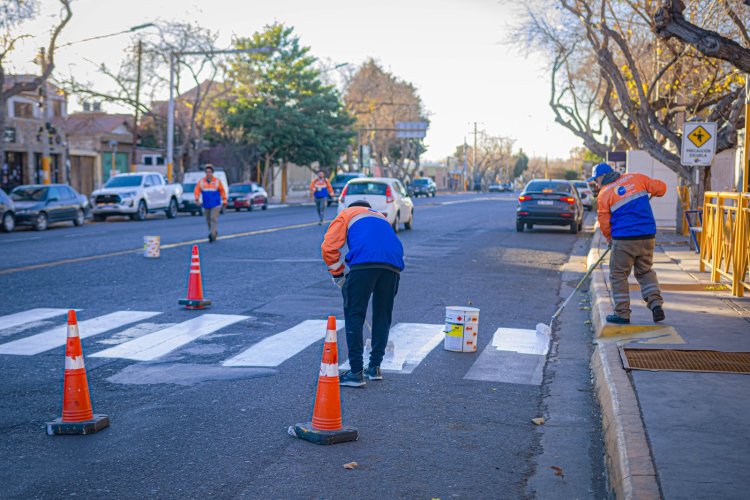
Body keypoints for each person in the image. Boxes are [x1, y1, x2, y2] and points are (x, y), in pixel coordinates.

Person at [321, 200, 405, 387]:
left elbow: (329, 248)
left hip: (365, 263)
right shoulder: (381, 217)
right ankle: (374, 368)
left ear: (351, 206)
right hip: (393, 265)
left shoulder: (347, 214)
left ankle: (356, 372)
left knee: (355, 314)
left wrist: (338, 274)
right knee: (383, 316)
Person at [590, 162, 667, 324]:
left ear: (602, 177)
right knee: (645, 271)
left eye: (596, 180)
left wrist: (610, 239)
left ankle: (622, 313)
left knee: (618, 275)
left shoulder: (604, 194)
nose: (596, 184)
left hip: (624, 239)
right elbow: (661, 188)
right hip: (647, 235)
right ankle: (656, 304)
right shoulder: (637, 178)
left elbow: (604, 221)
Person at [194, 165, 227, 243]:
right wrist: (197, 199)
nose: (208, 173)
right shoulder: (201, 181)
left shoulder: (217, 181)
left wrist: (224, 201)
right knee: (208, 219)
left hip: (216, 204)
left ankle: (212, 234)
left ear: (212, 173)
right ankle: (213, 232)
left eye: (210, 172)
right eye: (207, 172)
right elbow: (197, 190)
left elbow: (222, 191)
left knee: (213, 218)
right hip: (206, 204)